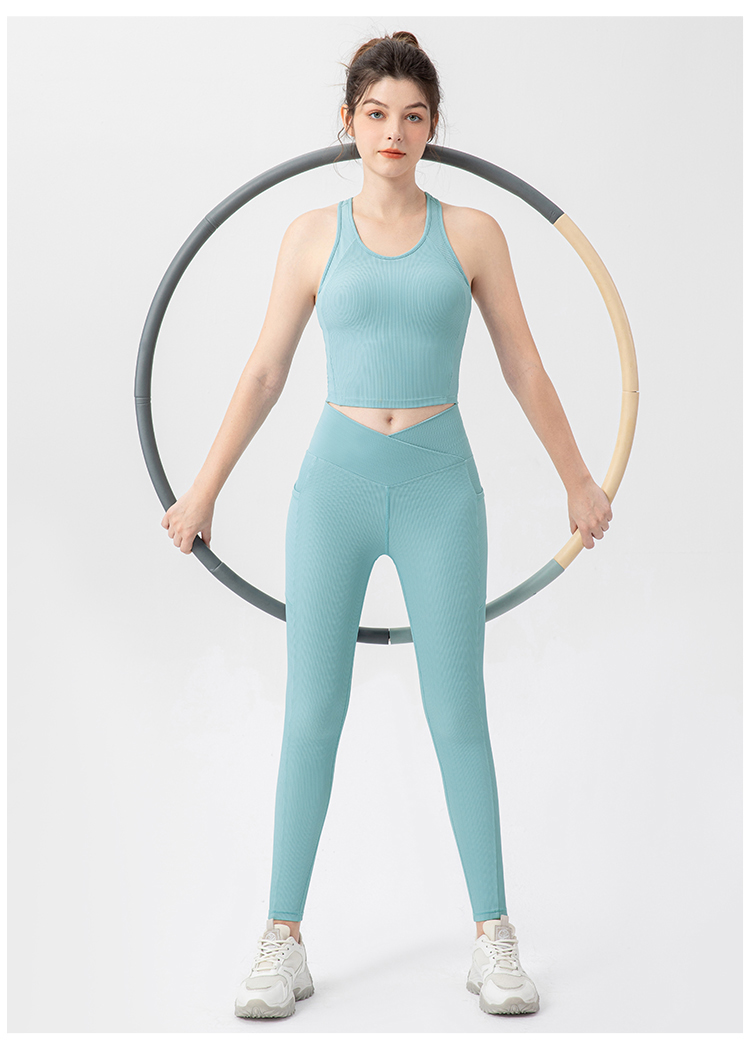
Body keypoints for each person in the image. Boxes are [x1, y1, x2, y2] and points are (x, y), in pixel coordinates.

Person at [161, 31, 612, 1020]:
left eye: (413, 115)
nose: (394, 131)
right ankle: (282, 938)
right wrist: (202, 493)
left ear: (434, 126)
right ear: (348, 122)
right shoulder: (310, 235)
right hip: (336, 489)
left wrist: (579, 481)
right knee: (311, 714)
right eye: (376, 114)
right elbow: (266, 372)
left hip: (440, 490)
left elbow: (523, 365)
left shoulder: (475, 233)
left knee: (457, 716)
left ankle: (493, 936)